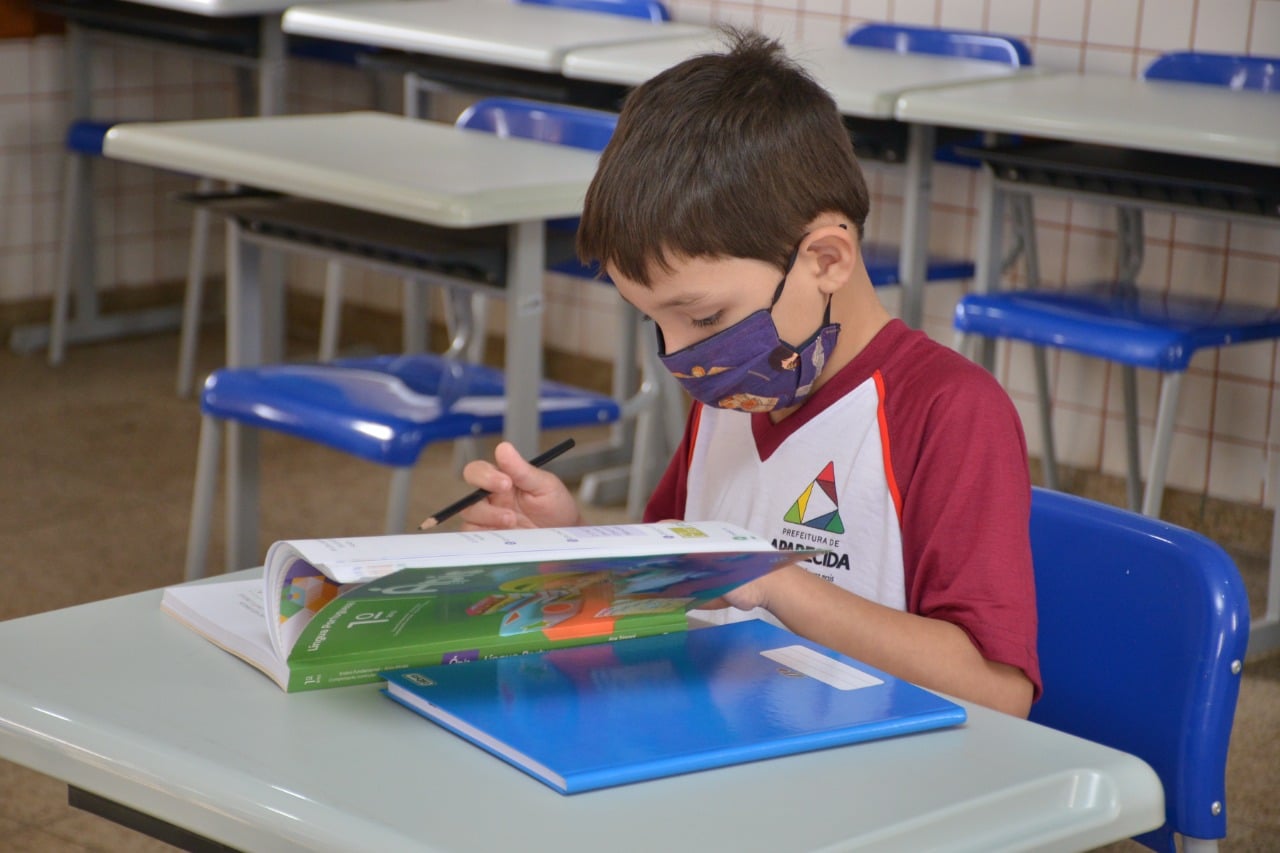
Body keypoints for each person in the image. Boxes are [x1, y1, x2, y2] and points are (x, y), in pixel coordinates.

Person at [437, 29, 1039, 717]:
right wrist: (576, 542)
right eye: (654, 322)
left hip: (871, 788)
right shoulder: (738, 389)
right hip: (725, 755)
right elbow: (674, 587)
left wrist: (777, 582)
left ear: (827, 260)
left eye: (705, 318)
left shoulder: (949, 412)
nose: (681, 358)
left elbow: (999, 693)